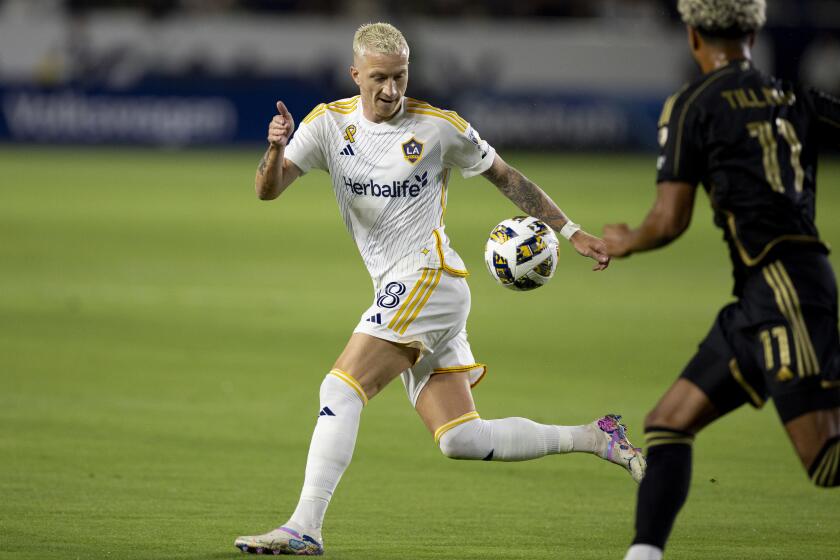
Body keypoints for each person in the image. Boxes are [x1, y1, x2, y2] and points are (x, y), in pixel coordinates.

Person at [235, 22, 646, 556]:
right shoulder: (327, 126)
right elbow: (269, 190)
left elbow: (507, 176)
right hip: (412, 287)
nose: (390, 90)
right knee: (460, 439)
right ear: (355, 74)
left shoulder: (438, 127)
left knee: (341, 388)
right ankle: (597, 437)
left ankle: (305, 527)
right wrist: (274, 149)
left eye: (400, 77)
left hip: (428, 277)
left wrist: (572, 232)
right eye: (379, 78)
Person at [603, 2, 840, 559]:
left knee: (825, 462)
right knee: (667, 422)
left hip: (784, 291)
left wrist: (625, 240)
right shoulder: (794, 96)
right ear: (754, 32)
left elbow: (669, 221)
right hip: (765, 293)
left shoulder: (693, 104)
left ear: (692, 36)